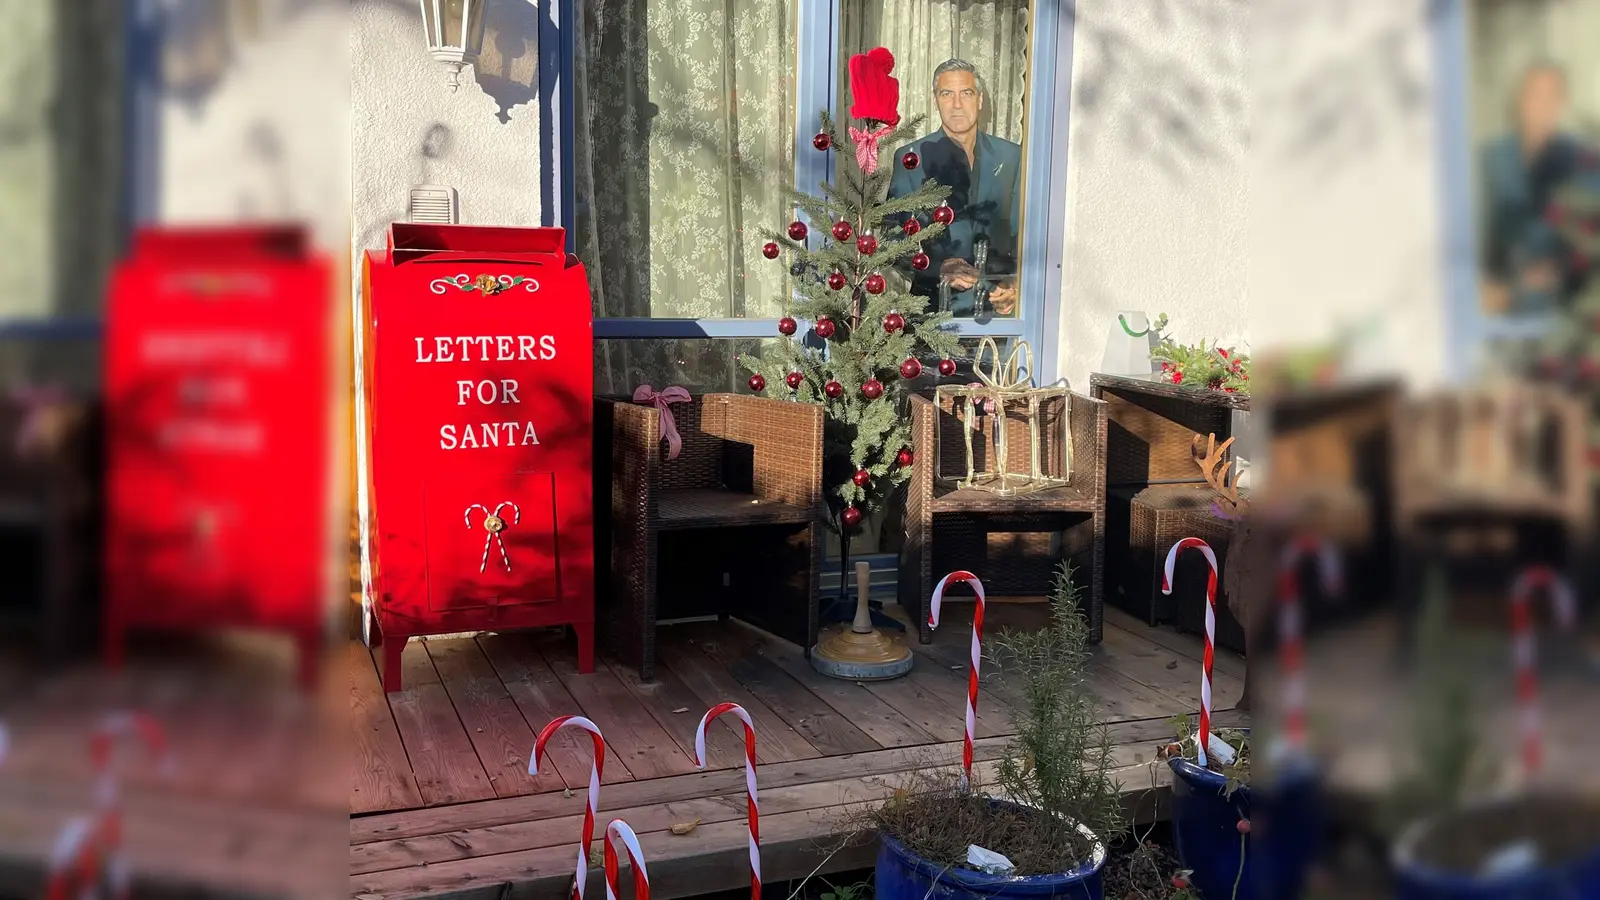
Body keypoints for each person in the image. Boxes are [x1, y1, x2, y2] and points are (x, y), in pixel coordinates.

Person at [887, 59, 1022, 317]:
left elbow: (1025, 237)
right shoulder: (911, 159)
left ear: (980, 100)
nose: (957, 104)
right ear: (935, 100)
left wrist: (1015, 286)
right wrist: (939, 267)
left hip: (998, 318)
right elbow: (893, 240)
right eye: (947, 94)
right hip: (933, 317)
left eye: (966, 93)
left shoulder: (1012, 158)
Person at [1480, 61, 1593, 316]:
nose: (1541, 105)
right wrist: (1490, 282)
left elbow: (1588, 243)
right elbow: (1485, 231)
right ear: (1519, 100)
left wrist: (1555, 273)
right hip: (1498, 296)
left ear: (1561, 104)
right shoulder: (1493, 158)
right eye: (1533, 94)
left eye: (1550, 96)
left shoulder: (1580, 160)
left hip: (1558, 302)